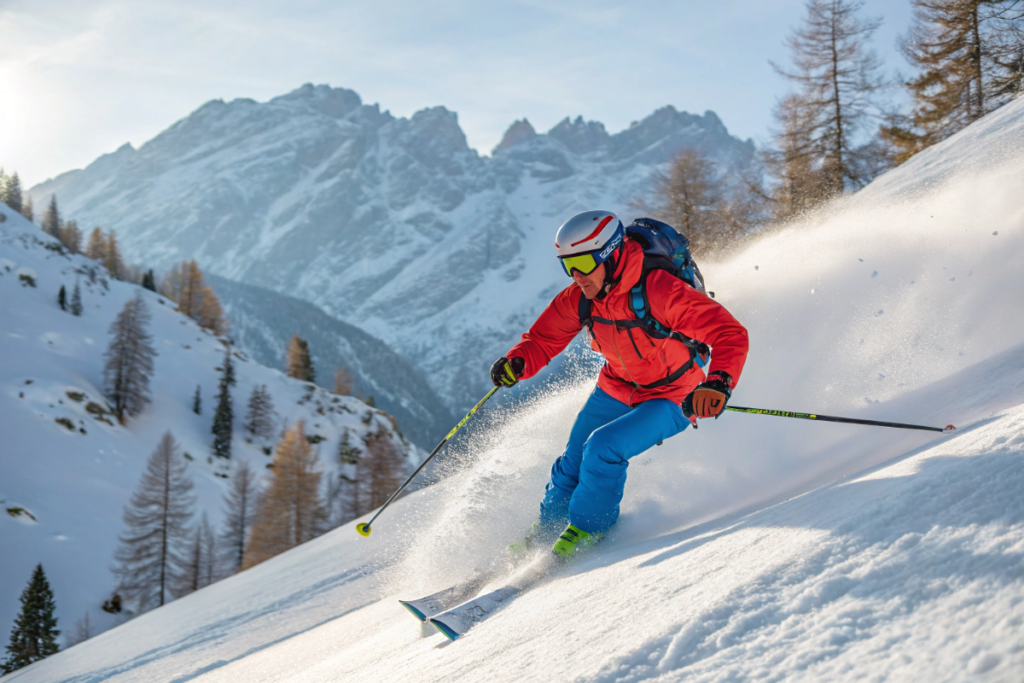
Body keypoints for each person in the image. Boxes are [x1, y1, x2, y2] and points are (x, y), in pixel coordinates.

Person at [490, 210, 749, 559]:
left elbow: (729, 333)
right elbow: (542, 340)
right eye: (568, 266)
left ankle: (588, 530)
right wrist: (518, 362)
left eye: (584, 264)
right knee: (573, 460)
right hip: (617, 386)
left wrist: (717, 382)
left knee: (603, 448)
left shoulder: (659, 290)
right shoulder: (582, 297)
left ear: (610, 255)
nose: (577, 276)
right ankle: (547, 532)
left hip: (676, 394)